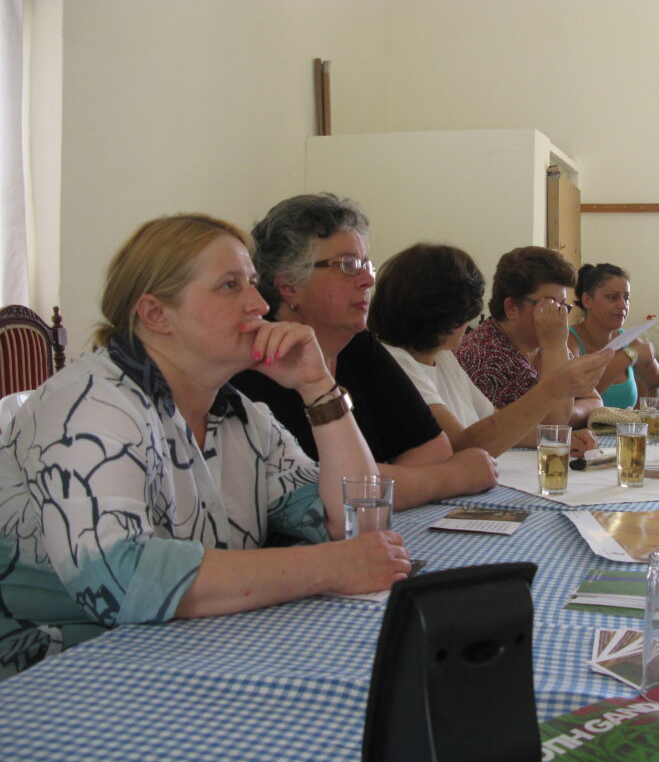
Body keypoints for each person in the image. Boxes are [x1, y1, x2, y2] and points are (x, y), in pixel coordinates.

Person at [0, 214, 411, 680]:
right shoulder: (90, 407)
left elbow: (352, 522)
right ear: (156, 314)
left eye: (253, 283)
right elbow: (121, 579)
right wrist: (328, 567)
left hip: (181, 655)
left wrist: (318, 389)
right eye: (230, 286)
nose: (260, 304)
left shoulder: (241, 416)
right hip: (51, 676)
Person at [231, 194, 497, 511]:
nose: (369, 279)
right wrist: (453, 477)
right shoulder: (261, 363)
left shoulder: (357, 345)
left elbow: (433, 451)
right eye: (348, 265)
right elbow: (322, 492)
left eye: (365, 264)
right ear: (289, 286)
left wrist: (377, 482)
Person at [368, 243, 613, 457]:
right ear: (439, 312)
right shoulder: (396, 362)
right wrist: (553, 386)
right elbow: (461, 446)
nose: (469, 320)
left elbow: (495, 423)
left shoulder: (442, 357)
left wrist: (557, 438)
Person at [455, 246, 602, 428]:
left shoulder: (541, 343)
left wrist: (569, 415)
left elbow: (593, 399)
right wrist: (554, 347)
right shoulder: (487, 356)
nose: (559, 315)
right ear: (511, 308)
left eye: (563, 305)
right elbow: (551, 425)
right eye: (549, 305)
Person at [567, 263, 659, 408]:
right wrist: (630, 355)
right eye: (613, 297)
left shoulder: (631, 342)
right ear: (588, 300)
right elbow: (581, 394)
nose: (623, 305)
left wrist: (649, 416)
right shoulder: (568, 341)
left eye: (626, 298)